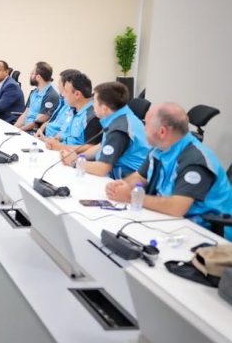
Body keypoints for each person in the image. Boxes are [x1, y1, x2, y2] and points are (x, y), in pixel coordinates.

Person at [106, 103, 232, 236]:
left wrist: (130, 196)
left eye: (146, 124)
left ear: (162, 132)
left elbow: (176, 207)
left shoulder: (195, 161)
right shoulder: (159, 149)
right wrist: (120, 186)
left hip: (208, 233)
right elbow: (140, 177)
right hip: (174, 222)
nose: (143, 128)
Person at [59, 82, 150, 178]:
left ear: (104, 109)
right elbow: (101, 146)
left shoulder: (118, 130)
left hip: (124, 181)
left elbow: (102, 169)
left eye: (94, 102)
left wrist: (74, 162)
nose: (92, 105)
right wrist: (78, 157)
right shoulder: (122, 116)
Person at [44, 72, 102, 152]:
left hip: (75, 157)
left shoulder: (92, 116)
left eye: (66, 91)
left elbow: (91, 147)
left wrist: (61, 147)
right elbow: (66, 133)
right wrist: (56, 138)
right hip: (61, 152)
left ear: (77, 94)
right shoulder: (72, 110)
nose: (63, 95)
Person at [14, 61, 60, 132]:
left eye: (32, 73)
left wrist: (19, 130)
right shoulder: (34, 92)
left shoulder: (50, 96)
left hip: (33, 132)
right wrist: (13, 128)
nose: (30, 75)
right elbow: (25, 114)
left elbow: (36, 124)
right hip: (25, 129)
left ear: (38, 77)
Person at [36, 69, 80, 139]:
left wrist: (46, 140)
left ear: (66, 85)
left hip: (52, 141)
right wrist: (40, 131)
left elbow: (64, 132)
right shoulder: (62, 100)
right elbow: (51, 120)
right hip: (45, 136)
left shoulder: (72, 106)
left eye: (59, 83)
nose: (58, 86)